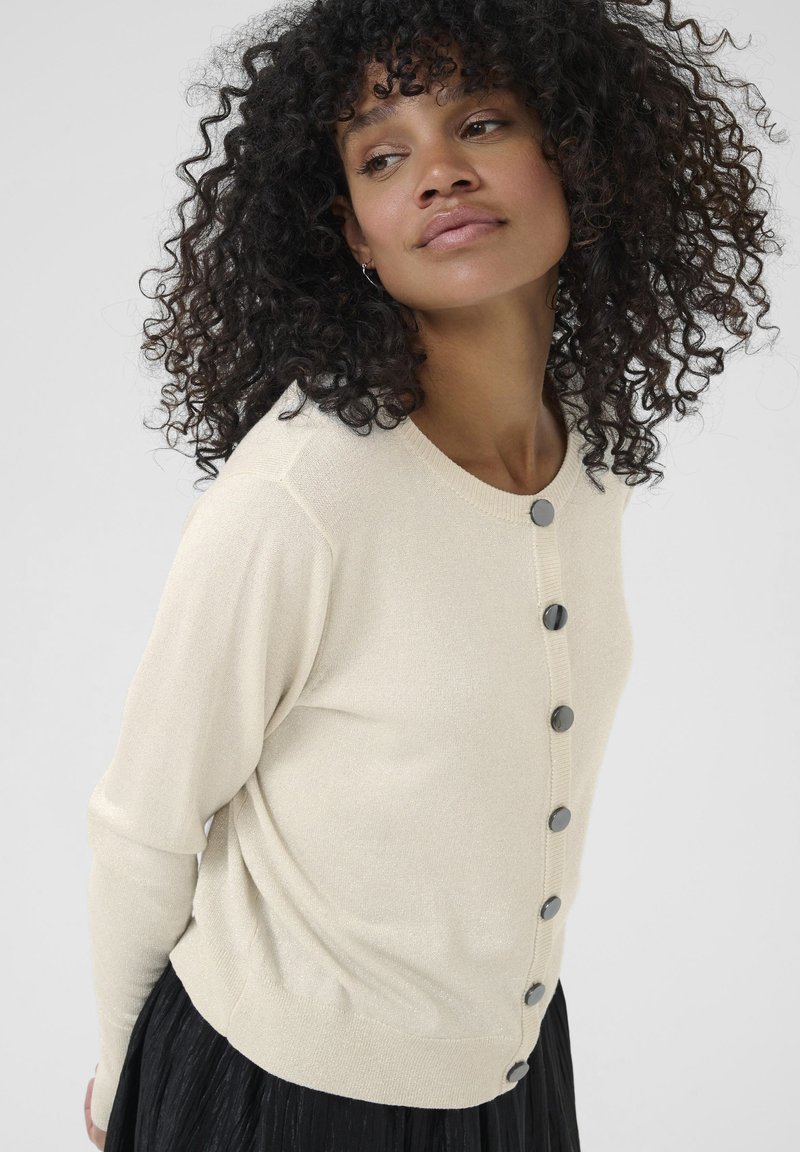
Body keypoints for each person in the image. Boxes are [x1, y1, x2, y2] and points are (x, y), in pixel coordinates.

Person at [84, 1, 783, 1149]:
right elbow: (144, 824)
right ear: (354, 233)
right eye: (383, 154)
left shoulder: (584, 457)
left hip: (509, 1073)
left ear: (574, 158)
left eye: (483, 121)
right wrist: (129, 1086)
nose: (441, 173)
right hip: (279, 1091)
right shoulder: (303, 494)